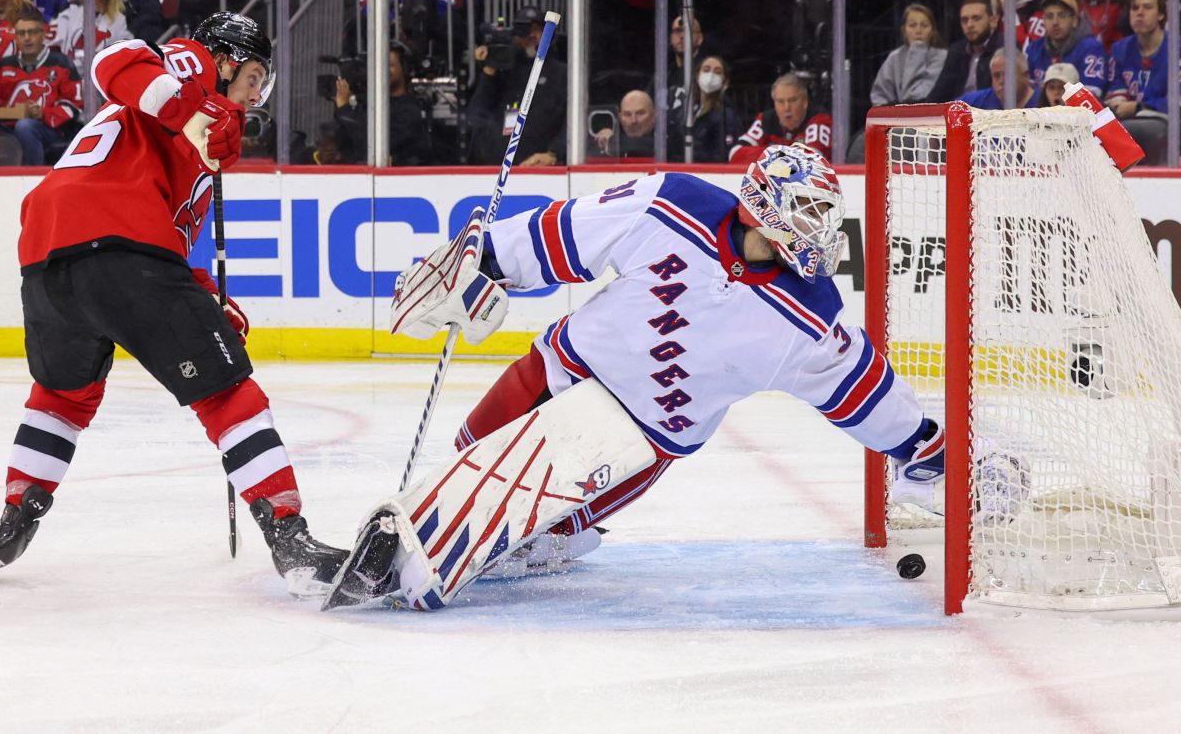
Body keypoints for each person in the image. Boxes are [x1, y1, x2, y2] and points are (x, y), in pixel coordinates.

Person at [326, 144, 948, 610]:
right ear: (763, 202)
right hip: (562, 370)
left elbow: (861, 389)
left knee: (547, 525)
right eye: (807, 208)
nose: (818, 226)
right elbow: (567, 233)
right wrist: (487, 257)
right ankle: (438, 537)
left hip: (639, 441)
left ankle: (540, 540)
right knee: (468, 458)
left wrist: (919, 441)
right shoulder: (675, 204)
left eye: (823, 212)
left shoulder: (809, 315)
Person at [0, 11, 349, 597]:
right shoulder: (193, 68)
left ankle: (14, 518)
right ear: (223, 60)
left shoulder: (196, 140)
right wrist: (199, 107)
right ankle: (289, 536)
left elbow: (163, 237)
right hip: (114, 240)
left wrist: (199, 295)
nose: (255, 93)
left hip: (49, 249)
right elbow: (111, 62)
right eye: (252, 76)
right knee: (226, 389)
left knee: (62, 395)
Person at [0, 6, 81, 166]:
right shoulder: (4, 66)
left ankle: (32, 179)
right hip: (9, 129)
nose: (27, 38)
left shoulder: (61, 64)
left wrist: (43, 114)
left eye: (32, 32)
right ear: (16, 37)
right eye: (21, 33)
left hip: (49, 130)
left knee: (25, 126)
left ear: (43, 34)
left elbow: (74, 105)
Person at [467, 4, 566, 167]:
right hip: (494, 168)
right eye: (526, 30)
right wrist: (489, 70)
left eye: (537, 30)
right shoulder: (502, 71)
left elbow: (570, 122)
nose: (532, 36)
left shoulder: (561, 73)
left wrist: (554, 153)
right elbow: (476, 113)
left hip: (539, 168)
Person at [332, 42, 432, 167]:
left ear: (404, 69)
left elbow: (374, 143)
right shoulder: (368, 105)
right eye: (379, 65)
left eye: (390, 65)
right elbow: (345, 143)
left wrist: (345, 109)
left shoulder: (410, 110)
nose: (382, 70)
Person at [1105, 0, 1170, 165]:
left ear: (1161, 14)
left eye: (1147, 7)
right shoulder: (1120, 49)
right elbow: (1117, 90)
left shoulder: (1176, 49)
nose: (1139, 13)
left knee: (1128, 130)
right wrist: (1121, 104)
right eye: (1135, 8)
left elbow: (1176, 101)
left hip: (1167, 121)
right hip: (1129, 119)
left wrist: (1140, 107)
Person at [48, 0, 131, 72]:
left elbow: (123, 54)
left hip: (101, 77)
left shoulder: (120, 18)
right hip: (68, 76)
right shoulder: (70, 10)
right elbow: (53, 45)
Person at [729, 72, 832, 165]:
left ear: (805, 102)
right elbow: (735, 153)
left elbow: (812, 160)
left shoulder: (819, 120)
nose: (786, 108)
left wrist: (769, 156)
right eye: (780, 101)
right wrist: (778, 153)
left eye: (792, 100)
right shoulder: (765, 120)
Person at [1026, 0, 1107, 105]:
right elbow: (1028, 93)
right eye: (1049, 16)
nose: (1055, 22)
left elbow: (1092, 94)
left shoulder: (1090, 48)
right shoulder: (1034, 48)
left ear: (1074, 20)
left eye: (1062, 15)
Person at [924, 0, 1000, 102]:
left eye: (976, 18)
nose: (969, 25)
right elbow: (939, 93)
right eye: (964, 20)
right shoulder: (957, 51)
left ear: (993, 21)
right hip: (957, 114)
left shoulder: (1004, 49)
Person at [870, 3, 947, 106]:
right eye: (912, 25)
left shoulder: (942, 56)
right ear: (904, 30)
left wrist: (917, 50)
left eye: (924, 26)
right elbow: (879, 95)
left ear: (932, 30)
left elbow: (916, 96)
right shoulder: (894, 57)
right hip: (893, 118)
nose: (918, 31)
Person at [668, 55, 743, 162]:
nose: (711, 75)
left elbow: (723, 154)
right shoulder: (687, 110)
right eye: (706, 69)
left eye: (717, 72)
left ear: (724, 80)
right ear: (698, 75)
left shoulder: (726, 115)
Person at [957, 48, 1033, 110]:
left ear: (1025, 76)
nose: (1001, 81)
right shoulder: (983, 99)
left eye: (1008, 74)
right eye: (996, 76)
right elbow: (951, 110)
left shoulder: (1042, 104)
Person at [592, 89, 655, 158]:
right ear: (620, 118)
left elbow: (646, 145)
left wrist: (611, 142)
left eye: (640, 113)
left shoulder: (664, 141)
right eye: (627, 114)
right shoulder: (612, 143)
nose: (633, 120)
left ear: (653, 116)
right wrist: (603, 141)